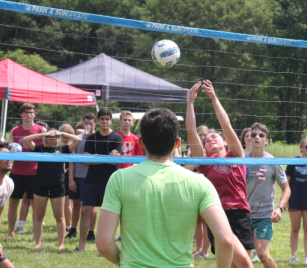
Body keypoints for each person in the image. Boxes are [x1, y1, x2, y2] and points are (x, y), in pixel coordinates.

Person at [96, 108, 235, 267]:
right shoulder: (200, 183)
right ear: (177, 143)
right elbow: (225, 240)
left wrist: (127, 261)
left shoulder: (119, 179)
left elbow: (104, 245)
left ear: (140, 142)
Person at [184, 80, 254, 268]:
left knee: (239, 265)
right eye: (206, 140)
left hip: (240, 214)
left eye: (214, 136)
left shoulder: (236, 155)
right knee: (245, 264)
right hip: (218, 216)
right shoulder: (206, 164)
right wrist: (190, 103)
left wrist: (214, 98)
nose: (210, 139)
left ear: (224, 142)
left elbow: (226, 125)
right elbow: (191, 133)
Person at [23, 129, 81, 250]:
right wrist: (44, 134)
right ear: (46, 139)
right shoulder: (40, 149)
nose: (54, 140)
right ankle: (37, 243)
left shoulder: (63, 149)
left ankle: (61, 244)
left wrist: (61, 133)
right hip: (40, 184)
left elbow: (78, 140)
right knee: (39, 215)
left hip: (57, 185)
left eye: (55, 138)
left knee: (59, 217)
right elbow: (26, 140)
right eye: (51, 138)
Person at [245, 122, 291, 268]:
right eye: (253, 135)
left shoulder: (273, 162)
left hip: (264, 215)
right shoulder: (241, 160)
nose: (257, 137)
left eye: (261, 135)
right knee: (242, 259)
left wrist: (280, 208)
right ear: (249, 139)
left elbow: (287, 189)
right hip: (244, 215)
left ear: (267, 140)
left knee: (262, 254)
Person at [76, 108, 122, 252]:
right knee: (85, 210)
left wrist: (97, 156)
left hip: (111, 180)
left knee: (114, 213)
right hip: (92, 180)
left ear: (111, 121)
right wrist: (107, 156)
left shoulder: (117, 137)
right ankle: (81, 245)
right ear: (98, 121)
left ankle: (111, 244)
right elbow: (87, 161)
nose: (104, 121)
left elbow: (114, 161)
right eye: (102, 119)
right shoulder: (91, 138)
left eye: (107, 119)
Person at [6, 103, 46, 238]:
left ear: (35, 114)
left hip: (34, 173)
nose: (29, 114)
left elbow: (46, 150)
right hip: (16, 172)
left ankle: (37, 233)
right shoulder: (14, 130)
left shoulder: (41, 130)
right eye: (26, 112)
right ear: (21, 114)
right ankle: (11, 233)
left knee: (35, 205)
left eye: (31, 112)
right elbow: (9, 151)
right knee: (12, 204)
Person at [66, 113, 98, 240]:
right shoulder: (77, 138)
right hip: (77, 176)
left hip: (92, 177)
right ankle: (73, 230)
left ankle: (91, 232)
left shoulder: (98, 138)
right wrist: (70, 179)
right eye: (86, 123)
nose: (88, 125)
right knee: (76, 204)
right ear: (82, 123)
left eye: (90, 123)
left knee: (91, 206)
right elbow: (72, 160)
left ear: (95, 124)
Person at [191, 124, 211, 259]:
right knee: (197, 221)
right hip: (194, 186)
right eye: (200, 134)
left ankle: (205, 250)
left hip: (208, 186)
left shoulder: (211, 150)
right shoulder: (190, 151)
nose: (202, 137)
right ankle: (198, 249)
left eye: (205, 135)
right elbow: (187, 167)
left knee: (206, 220)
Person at [58, 124, 76, 233]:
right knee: (73, 203)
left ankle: (68, 225)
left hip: (65, 176)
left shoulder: (62, 148)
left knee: (67, 203)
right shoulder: (74, 146)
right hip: (74, 175)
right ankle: (71, 224)